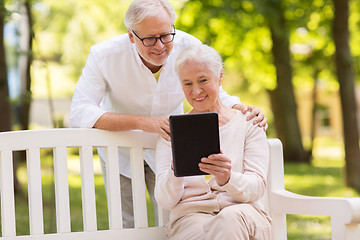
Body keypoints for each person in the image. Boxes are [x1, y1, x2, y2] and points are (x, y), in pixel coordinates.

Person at [69, 0, 268, 228]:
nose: (160, 45)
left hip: (171, 148)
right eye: (149, 39)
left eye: (166, 35)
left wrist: (245, 109)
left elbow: (211, 90)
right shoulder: (104, 55)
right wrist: (144, 123)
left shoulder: (188, 46)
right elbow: (80, 111)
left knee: (167, 221)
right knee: (126, 223)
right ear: (131, 36)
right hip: (120, 149)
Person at [154, 44, 271, 240]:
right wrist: (176, 173)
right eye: (187, 83)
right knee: (203, 232)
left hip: (243, 213)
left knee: (228, 221)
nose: (196, 91)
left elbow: (256, 187)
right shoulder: (171, 132)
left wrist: (228, 178)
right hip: (191, 217)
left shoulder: (249, 124)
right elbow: (165, 200)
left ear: (220, 77)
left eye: (203, 80)